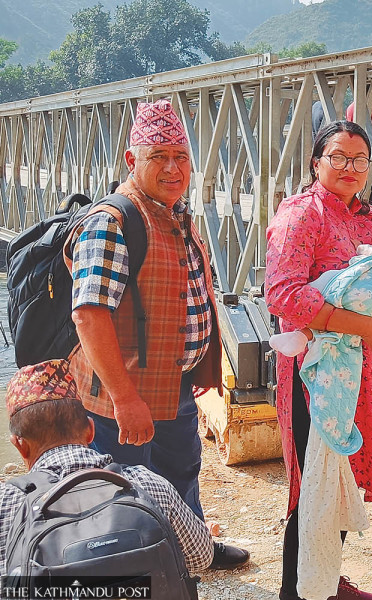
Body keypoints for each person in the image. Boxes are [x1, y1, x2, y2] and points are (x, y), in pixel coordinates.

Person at [64, 98, 248, 569]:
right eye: (158, 156)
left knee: (180, 470)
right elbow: (89, 315)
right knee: (123, 484)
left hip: (173, 382)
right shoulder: (113, 221)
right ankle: (130, 569)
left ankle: (190, 552)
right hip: (122, 392)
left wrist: (201, 367)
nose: (172, 167)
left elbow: (187, 295)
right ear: (131, 161)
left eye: (180, 157)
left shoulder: (175, 214)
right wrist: (125, 400)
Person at [266, 120, 372, 600]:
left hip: (362, 372)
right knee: (312, 484)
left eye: (359, 160)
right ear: (316, 162)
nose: (349, 168)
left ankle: (326, 578)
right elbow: (282, 295)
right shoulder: (302, 215)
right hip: (314, 375)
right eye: (337, 157)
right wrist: (364, 327)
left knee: (342, 479)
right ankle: (297, 591)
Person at [0, 360, 217, 576]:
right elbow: (202, 557)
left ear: (20, 446)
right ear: (90, 430)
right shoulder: (147, 484)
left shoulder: (9, 503)